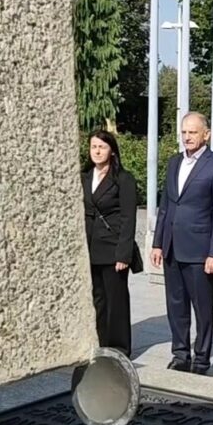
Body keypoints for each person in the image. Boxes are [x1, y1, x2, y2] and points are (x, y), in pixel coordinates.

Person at [151, 112, 213, 375]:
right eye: (184, 132)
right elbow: (165, 204)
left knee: (202, 308)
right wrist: (157, 242)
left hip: (200, 251)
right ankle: (180, 354)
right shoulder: (175, 162)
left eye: (193, 132)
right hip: (172, 247)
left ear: (206, 135)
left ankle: (201, 359)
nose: (187, 137)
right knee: (175, 304)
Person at [82, 130, 138, 357]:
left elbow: (128, 218)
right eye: (93, 146)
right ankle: (101, 343)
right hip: (90, 247)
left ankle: (119, 348)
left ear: (111, 150)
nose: (97, 151)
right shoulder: (84, 177)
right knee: (98, 300)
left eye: (101, 147)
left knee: (116, 300)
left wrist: (123, 255)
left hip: (112, 248)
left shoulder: (123, 179)